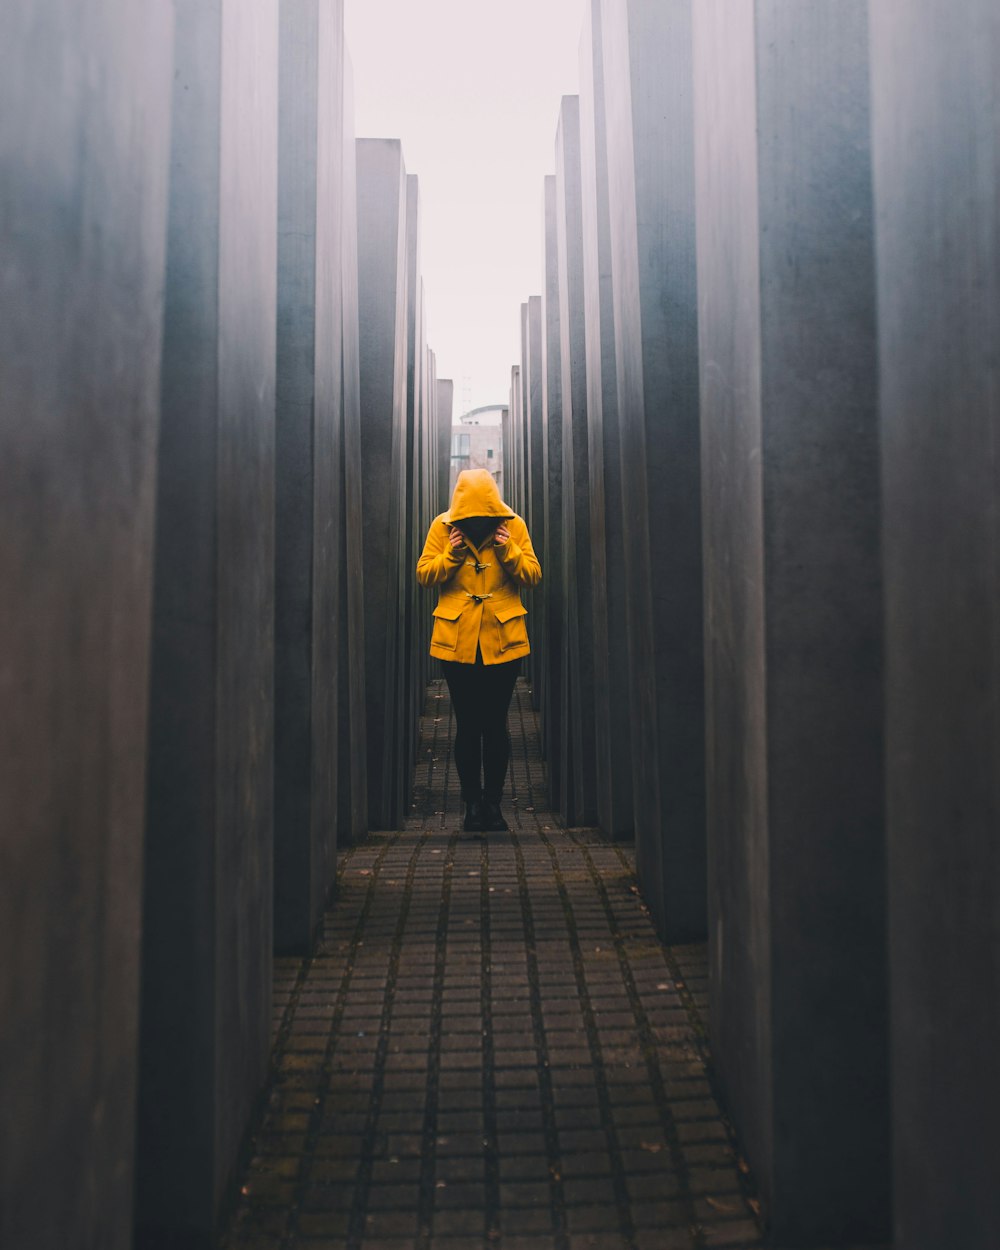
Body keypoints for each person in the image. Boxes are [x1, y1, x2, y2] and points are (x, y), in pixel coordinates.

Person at [417, 468, 542, 833]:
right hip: (458, 643)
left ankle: (494, 804)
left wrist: (507, 549)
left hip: (502, 642)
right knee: (469, 726)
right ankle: (472, 805)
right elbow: (424, 574)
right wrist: (453, 555)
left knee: (496, 726)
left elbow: (533, 575)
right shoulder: (442, 527)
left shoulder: (513, 525)